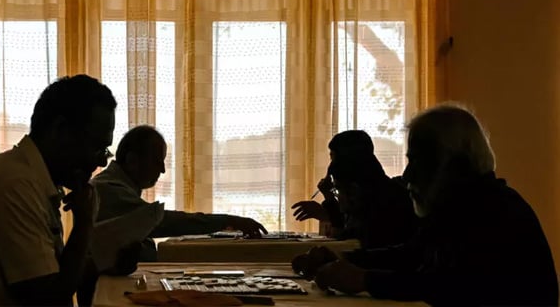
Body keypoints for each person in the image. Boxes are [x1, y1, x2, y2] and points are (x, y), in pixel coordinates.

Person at [294, 105, 558, 306]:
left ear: (453, 163)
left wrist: (363, 279)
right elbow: (411, 254)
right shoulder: (458, 209)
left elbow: (452, 286)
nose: (407, 176)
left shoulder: (497, 213)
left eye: (416, 162)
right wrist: (341, 258)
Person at [0, 75, 116, 306]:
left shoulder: (29, 178)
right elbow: (49, 298)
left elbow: (54, 276)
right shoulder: (14, 186)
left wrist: (102, 263)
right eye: (98, 148)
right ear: (61, 130)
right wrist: (84, 225)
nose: (102, 163)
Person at [91, 125, 268, 261]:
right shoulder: (108, 190)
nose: (162, 170)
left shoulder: (114, 186)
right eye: (156, 161)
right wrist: (228, 221)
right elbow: (163, 222)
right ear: (132, 160)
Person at [291, 130, 417, 249]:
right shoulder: (380, 189)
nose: (331, 165)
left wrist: (330, 207)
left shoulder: (378, 202)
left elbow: (348, 240)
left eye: (333, 157)